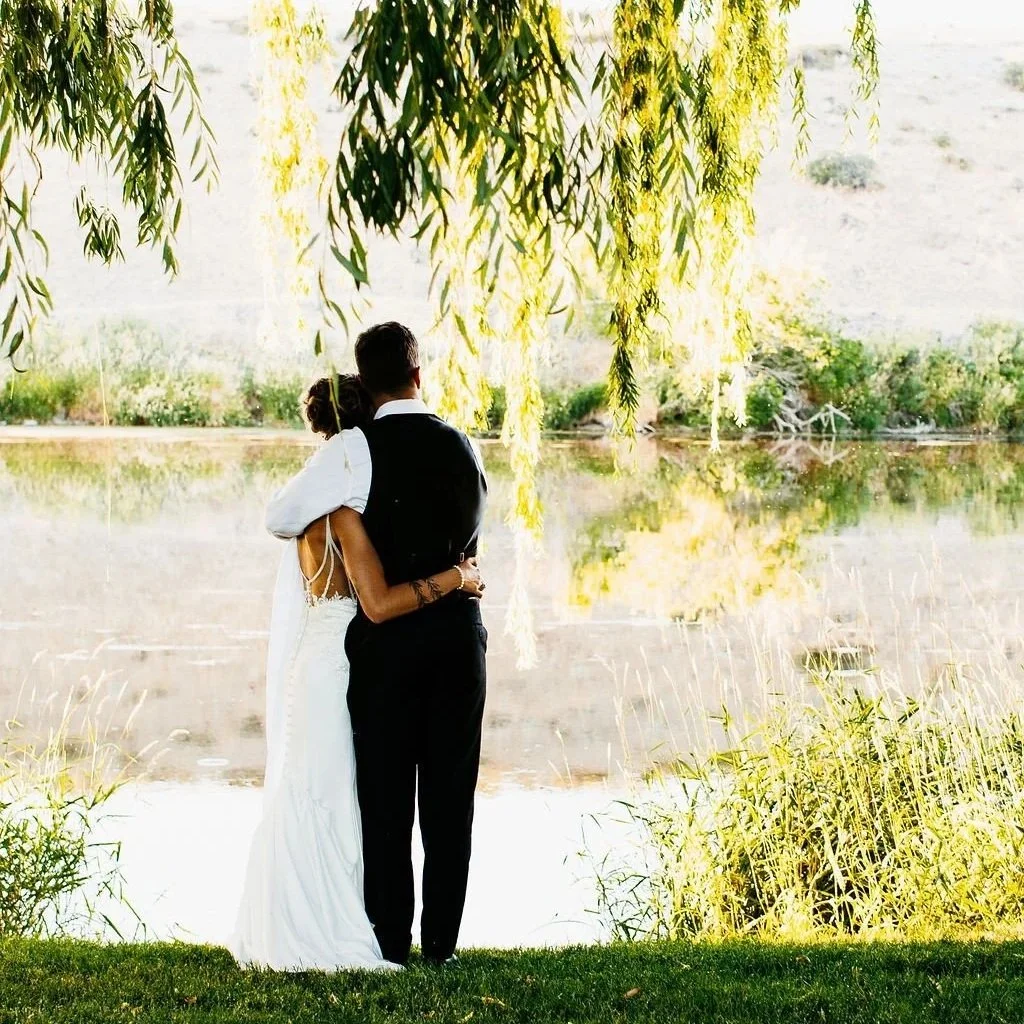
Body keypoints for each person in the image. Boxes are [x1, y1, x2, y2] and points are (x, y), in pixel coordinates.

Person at [229, 371, 484, 972]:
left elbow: (283, 524)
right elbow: (377, 601)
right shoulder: (345, 515)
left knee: (324, 791)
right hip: (347, 661)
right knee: (349, 798)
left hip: (311, 665)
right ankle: (355, 931)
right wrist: (456, 577)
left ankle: (317, 921)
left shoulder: (303, 517)